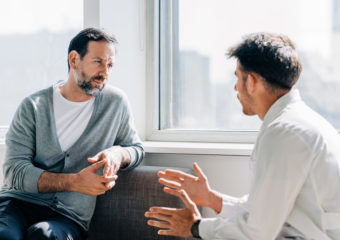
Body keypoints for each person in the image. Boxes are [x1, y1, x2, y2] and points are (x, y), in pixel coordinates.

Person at [145, 32, 340, 239]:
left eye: (237, 78)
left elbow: (257, 232)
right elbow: (263, 214)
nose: (235, 87)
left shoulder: (285, 133)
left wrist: (196, 228)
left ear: (252, 81)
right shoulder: (298, 123)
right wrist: (211, 199)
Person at [0, 27, 144, 239]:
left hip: (67, 216)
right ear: (74, 59)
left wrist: (118, 154)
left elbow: (136, 149)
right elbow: (14, 171)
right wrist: (74, 182)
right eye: (98, 61)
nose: (105, 72)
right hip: (17, 203)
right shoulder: (33, 106)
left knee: (43, 236)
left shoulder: (116, 103)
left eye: (110, 64)